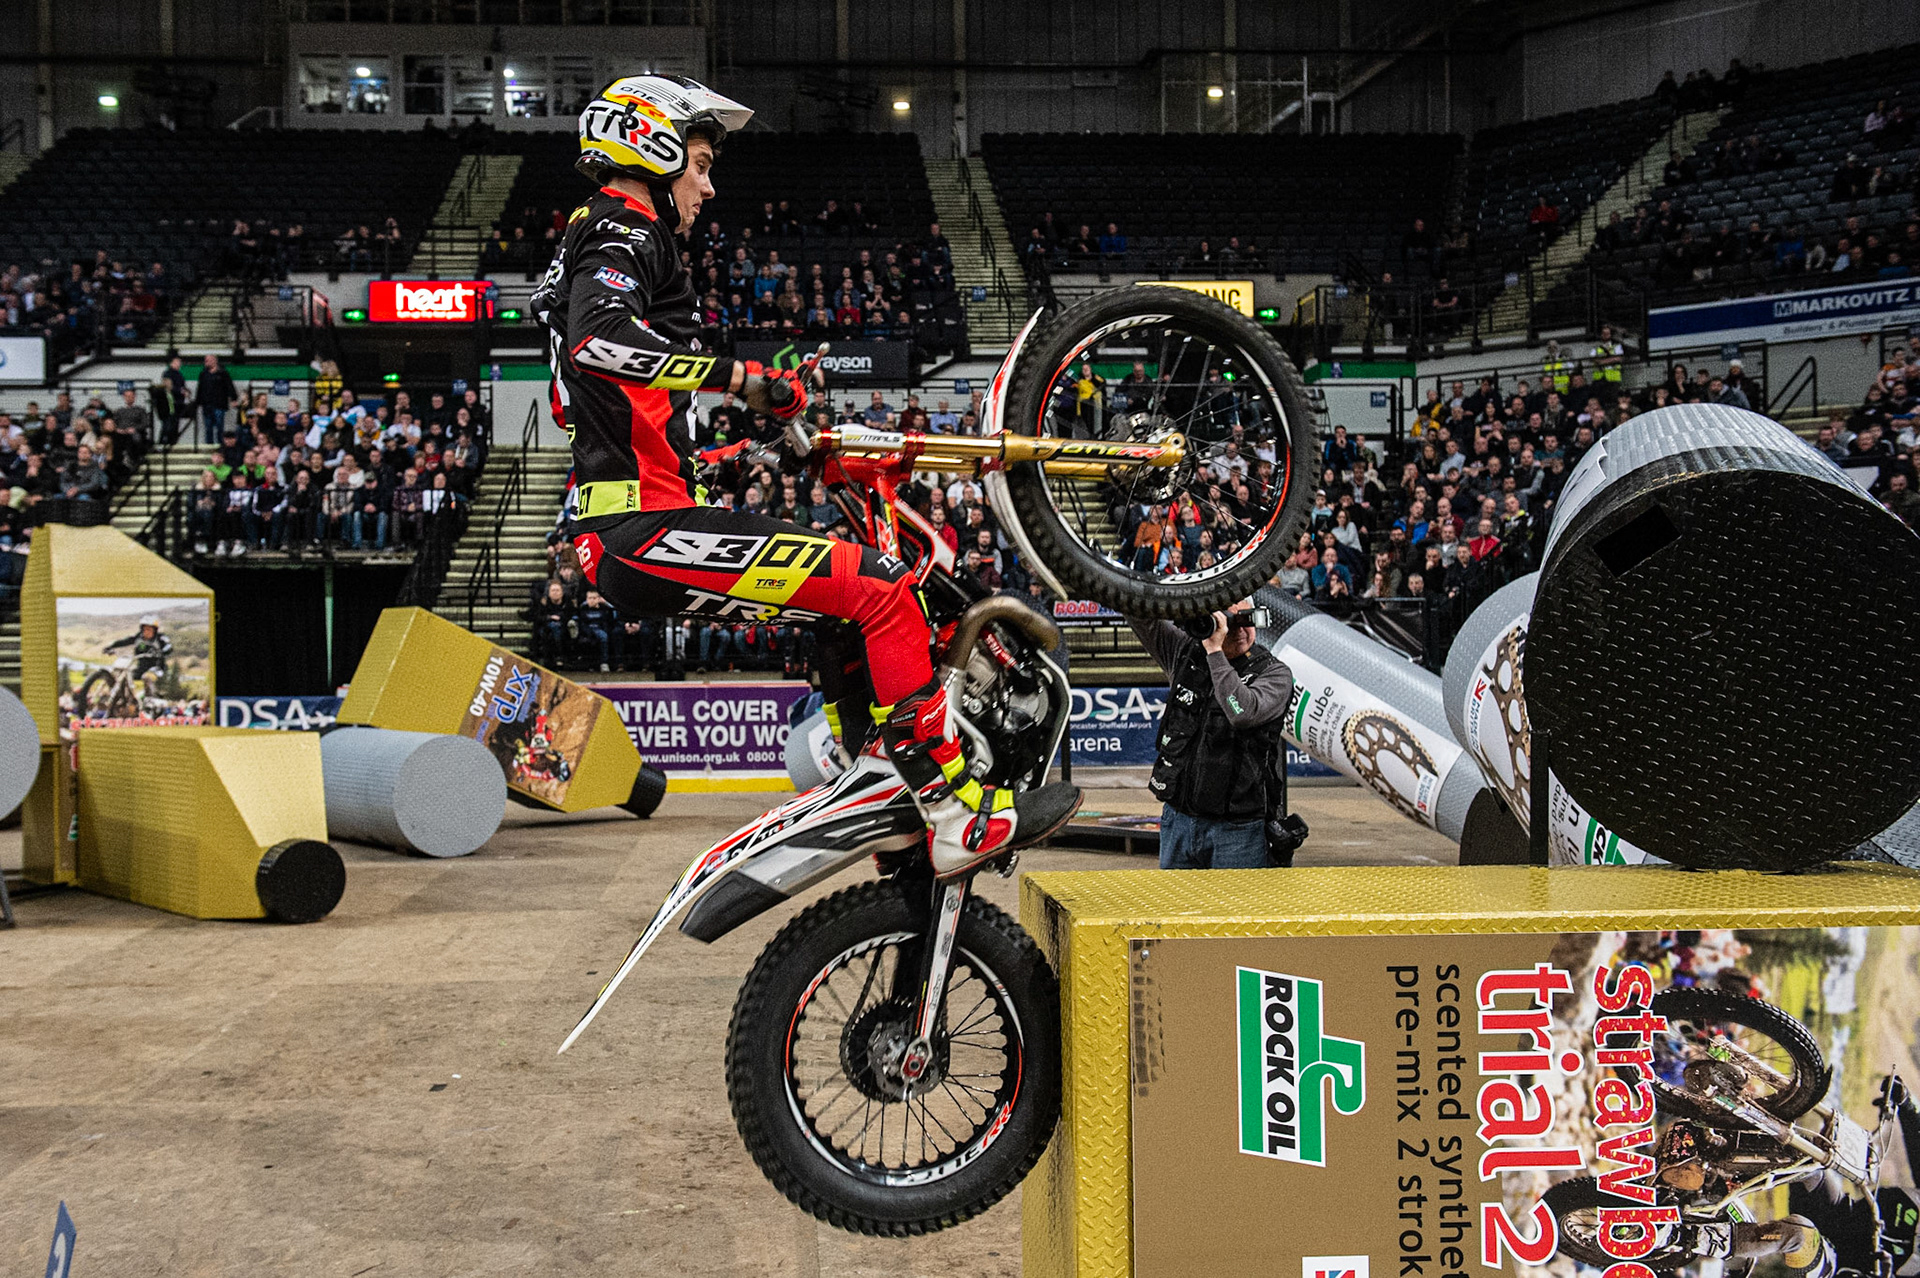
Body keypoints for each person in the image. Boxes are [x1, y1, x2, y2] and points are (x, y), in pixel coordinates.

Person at [530, 73, 1078, 877]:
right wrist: (742, 379)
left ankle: (881, 785)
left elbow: (626, 404)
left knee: (839, 615)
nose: (709, 187)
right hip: (640, 530)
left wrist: (758, 442)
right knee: (883, 589)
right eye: (702, 162)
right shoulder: (623, 229)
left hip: (639, 524)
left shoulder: (612, 235)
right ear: (650, 145)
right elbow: (597, 347)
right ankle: (949, 804)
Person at [1126, 603, 1300, 869]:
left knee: (1234, 910)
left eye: (1247, 620)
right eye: (1230, 621)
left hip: (1238, 830)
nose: (1241, 630)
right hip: (1178, 819)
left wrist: (1215, 652)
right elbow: (1137, 612)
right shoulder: (1185, 653)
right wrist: (1187, 603)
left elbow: (1241, 712)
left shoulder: (1274, 673)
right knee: (1175, 909)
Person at [103, 613, 173, 698]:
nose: (146, 632)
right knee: (124, 676)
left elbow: (169, 646)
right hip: (141, 668)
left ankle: (149, 699)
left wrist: (162, 652)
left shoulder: (161, 638)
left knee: (147, 677)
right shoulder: (138, 638)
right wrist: (111, 646)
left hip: (157, 668)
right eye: (144, 629)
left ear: (155, 630)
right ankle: (126, 698)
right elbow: (124, 641)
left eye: (149, 629)